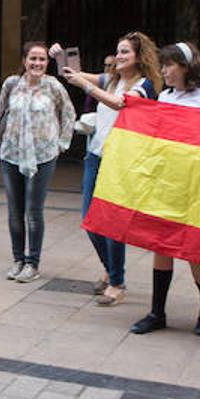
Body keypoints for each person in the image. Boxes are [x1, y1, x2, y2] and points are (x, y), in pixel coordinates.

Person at [59, 32, 161, 305]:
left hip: (122, 161)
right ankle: (110, 269)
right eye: (118, 51)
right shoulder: (112, 80)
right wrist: (60, 57)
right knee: (90, 220)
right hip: (96, 155)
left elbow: (119, 103)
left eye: (125, 52)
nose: (119, 56)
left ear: (139, 56)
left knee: (113, 224)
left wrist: (84, 84)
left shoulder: (144, 85)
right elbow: (80, 74)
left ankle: (117, 282)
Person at [131, 41, 200, 336]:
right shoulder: (166, 97)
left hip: (196, 182)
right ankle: (157, 312)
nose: (164, 71)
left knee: (196, 249)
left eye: (169, 65)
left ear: (186, 67)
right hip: (167, 181)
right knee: (161, 246)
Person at [0, 41, 76, 283]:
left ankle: (32, 263)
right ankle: (18, 260)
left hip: (42, 156)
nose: (37, 63)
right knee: (15, 210)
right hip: (10, 154)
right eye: (33, 59)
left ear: (47, 62)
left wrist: (61, 144)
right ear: (24, 60)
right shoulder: (11, 84)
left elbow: (68, 114)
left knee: (33, 211)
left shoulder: (53, 86)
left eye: (42, 59)